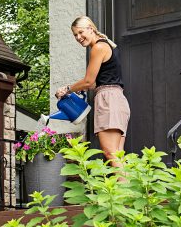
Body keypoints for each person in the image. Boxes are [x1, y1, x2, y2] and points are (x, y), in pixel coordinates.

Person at [54, 16, 131, 169]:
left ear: (90, 28)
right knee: (117, 155)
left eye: (80, 32)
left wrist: (67, 89)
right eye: (75, 35)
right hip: (117, 99)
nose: (78, 37)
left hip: (108, 100)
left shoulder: (98, 47)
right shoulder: (105, 46)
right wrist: (80, 87)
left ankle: (126, 193)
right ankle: (127, 192)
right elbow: (94, 82)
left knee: (111, 155)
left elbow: (89, 81)